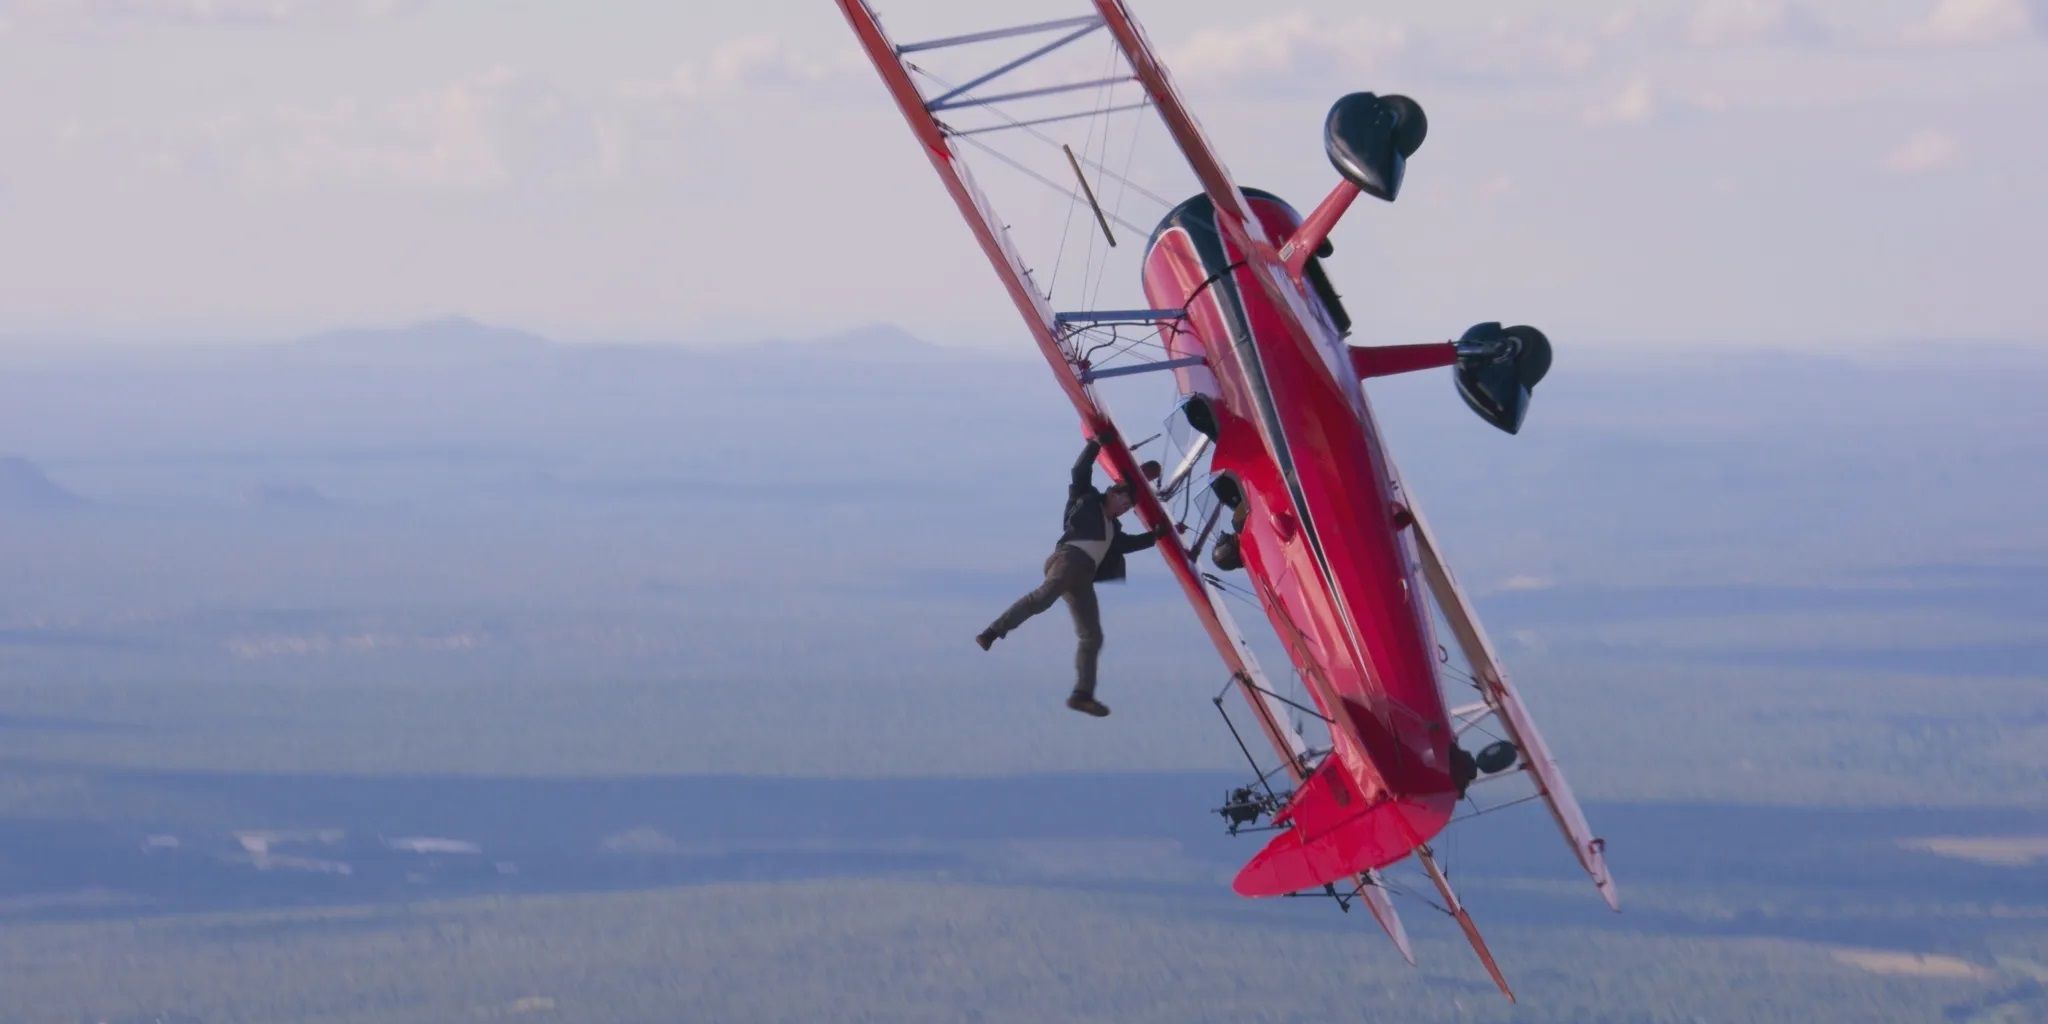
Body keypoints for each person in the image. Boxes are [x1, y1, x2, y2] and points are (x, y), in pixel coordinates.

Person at [976, 436, 1165, 717]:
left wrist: (1157, 536)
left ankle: (1082, 694)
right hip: (1068, 559)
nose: (1125, 507)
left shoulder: (1113, 530)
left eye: (1128, 507)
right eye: (1123, 501)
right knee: (1043, 598)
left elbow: (1128, 545)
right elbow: (1079, 472)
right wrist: (1095, 445)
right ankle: (992, 632)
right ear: (1112, 493)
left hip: (1084, 576)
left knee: (1092, 636)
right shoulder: (1086, 500)